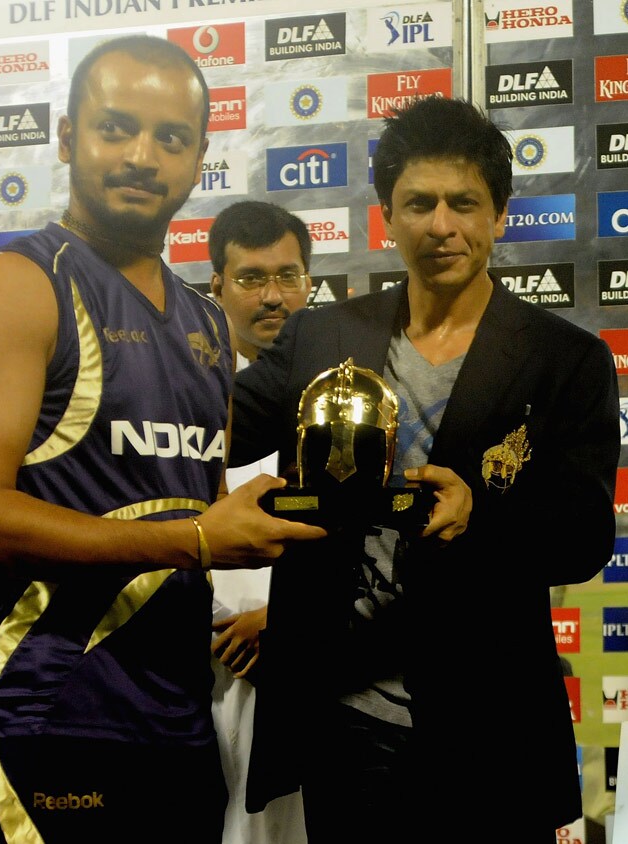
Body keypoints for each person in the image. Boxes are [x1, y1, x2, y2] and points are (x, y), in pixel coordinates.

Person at [0, 35, 325, 843]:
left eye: (169, 138)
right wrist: (199, 539)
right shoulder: (15, 287)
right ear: (69, 137)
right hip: (38, 717)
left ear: (199, 158)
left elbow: (193, 505)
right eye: (116, 128)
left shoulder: (206, 321)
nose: (142, 156)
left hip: (176, 726)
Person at [229, 96, 620, 843]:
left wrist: (481, 512)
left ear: (499, 216)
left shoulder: (565, 357)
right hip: (341, 717)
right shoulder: (323, 334)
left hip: (488, 725)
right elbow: (208, 427)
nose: (441, 225)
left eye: (464, 203)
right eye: (418, 203)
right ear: (385, 216)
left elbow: (585, 535)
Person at [208, 200, 313, 844]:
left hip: (313, 663)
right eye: (251, 278)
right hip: (202, 671)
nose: (273, 297)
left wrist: (287, 621)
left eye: (289, 276)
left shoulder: (348, 401)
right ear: (216, 283)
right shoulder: (186, 395)